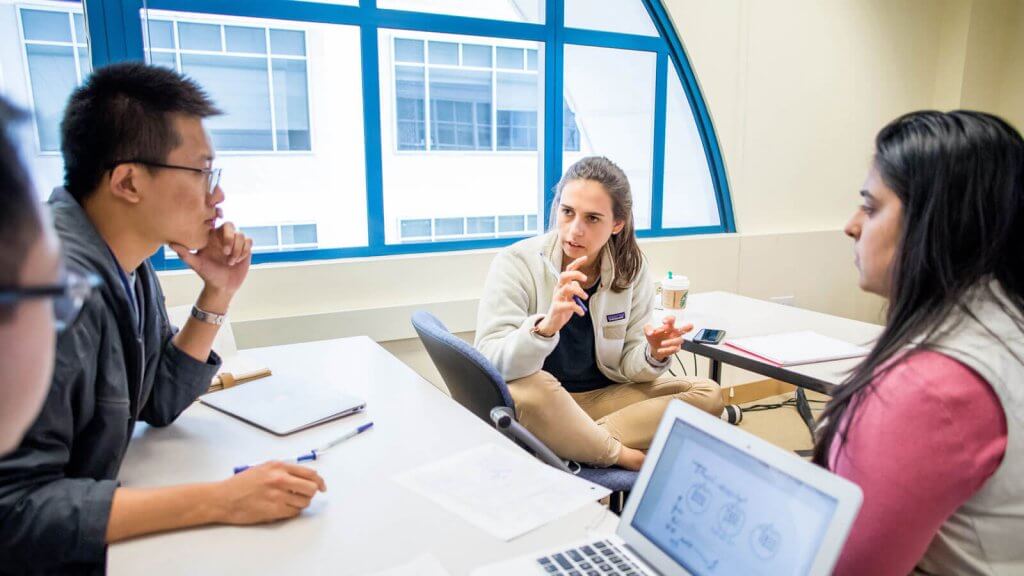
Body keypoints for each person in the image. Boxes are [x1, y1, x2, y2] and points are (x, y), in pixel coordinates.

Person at [0, 63, 325, 575]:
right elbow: (13, 512)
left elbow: (159, 398)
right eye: (202, 173)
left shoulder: (128, 265)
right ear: (128, 181)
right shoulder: (49, 293)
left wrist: (217, 290)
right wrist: (221, 501)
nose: (216, 197)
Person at [814, 110, 1024, 575]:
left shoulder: (930, 387)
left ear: (937, 223)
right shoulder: (1003, 321)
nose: (852, 226)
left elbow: (846, 566)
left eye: (870, 207)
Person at [475, 156, 723, 471]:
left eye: (592, 218)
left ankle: (580, 443)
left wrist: (653, 355)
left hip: (601, 398)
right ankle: (617, 453)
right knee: (527, 390)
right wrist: (546, 327)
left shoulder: (631, 269)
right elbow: (490, 362)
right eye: (567, 212)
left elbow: (629, 367)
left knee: (707, 393)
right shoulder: (516, 263)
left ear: (617, 223)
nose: (575, 230)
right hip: (543, 400)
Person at [0, 98, 77, 457]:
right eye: (58, 298)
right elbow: (23, 495)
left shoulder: (135, 269)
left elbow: (159, 400)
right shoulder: (87, 258)